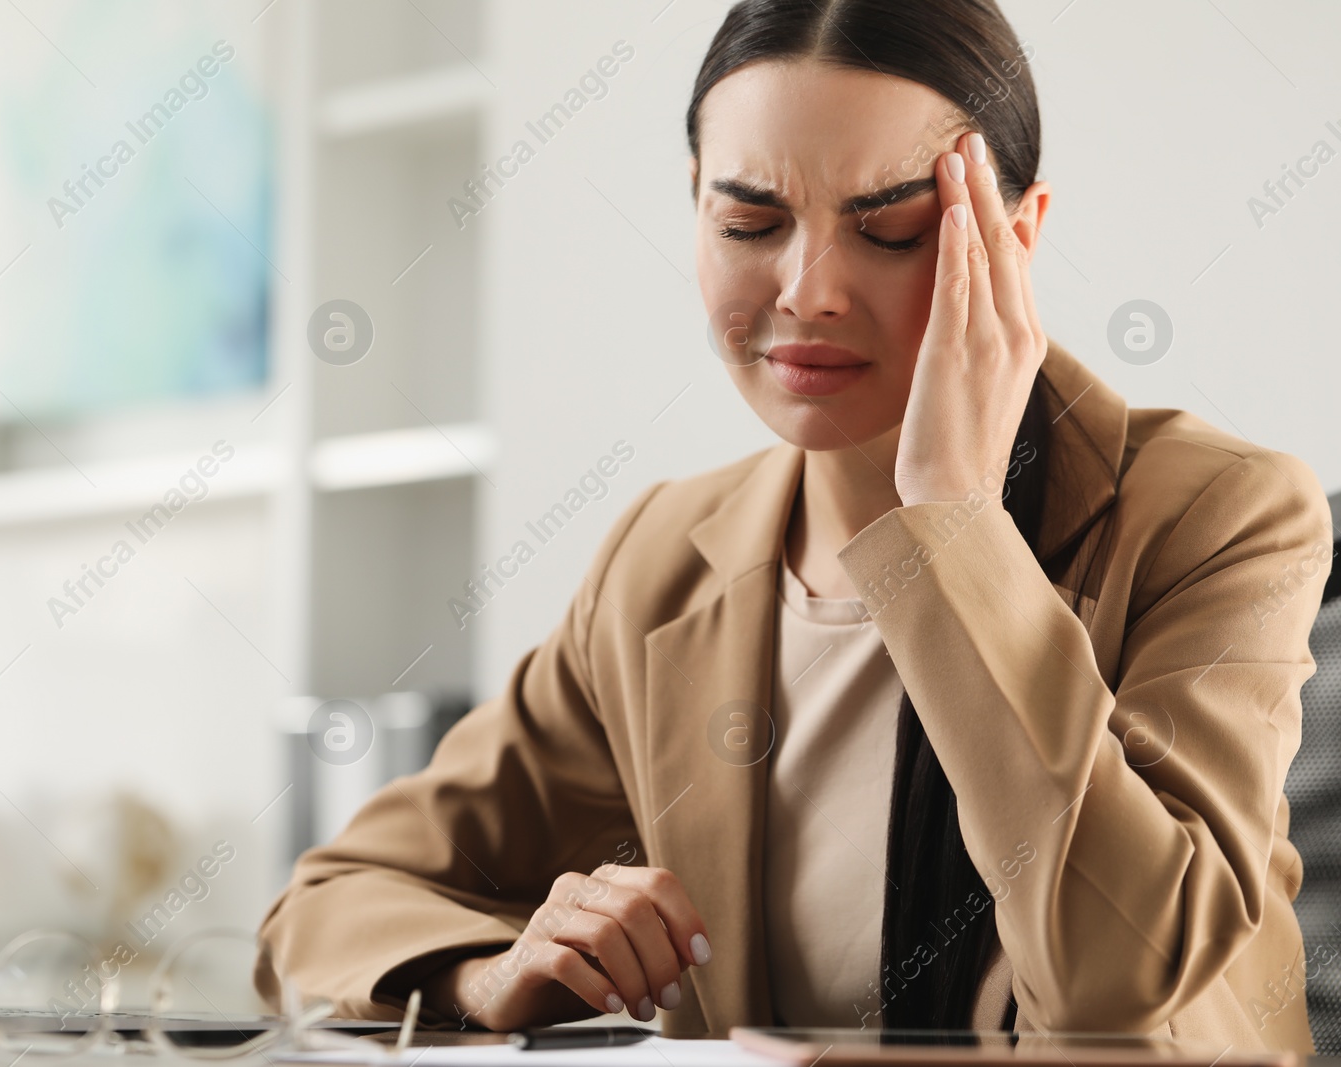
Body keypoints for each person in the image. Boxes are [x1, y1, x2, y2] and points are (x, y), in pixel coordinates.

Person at [254, 0, 1330, 1051]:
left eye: (892, 229)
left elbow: (1118, 977)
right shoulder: (668, 558)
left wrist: (952, 519)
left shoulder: (1221, 515)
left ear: (1017, 236)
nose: (808, 290)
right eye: (748, 224)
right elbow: (329, 902)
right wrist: (487, 973)